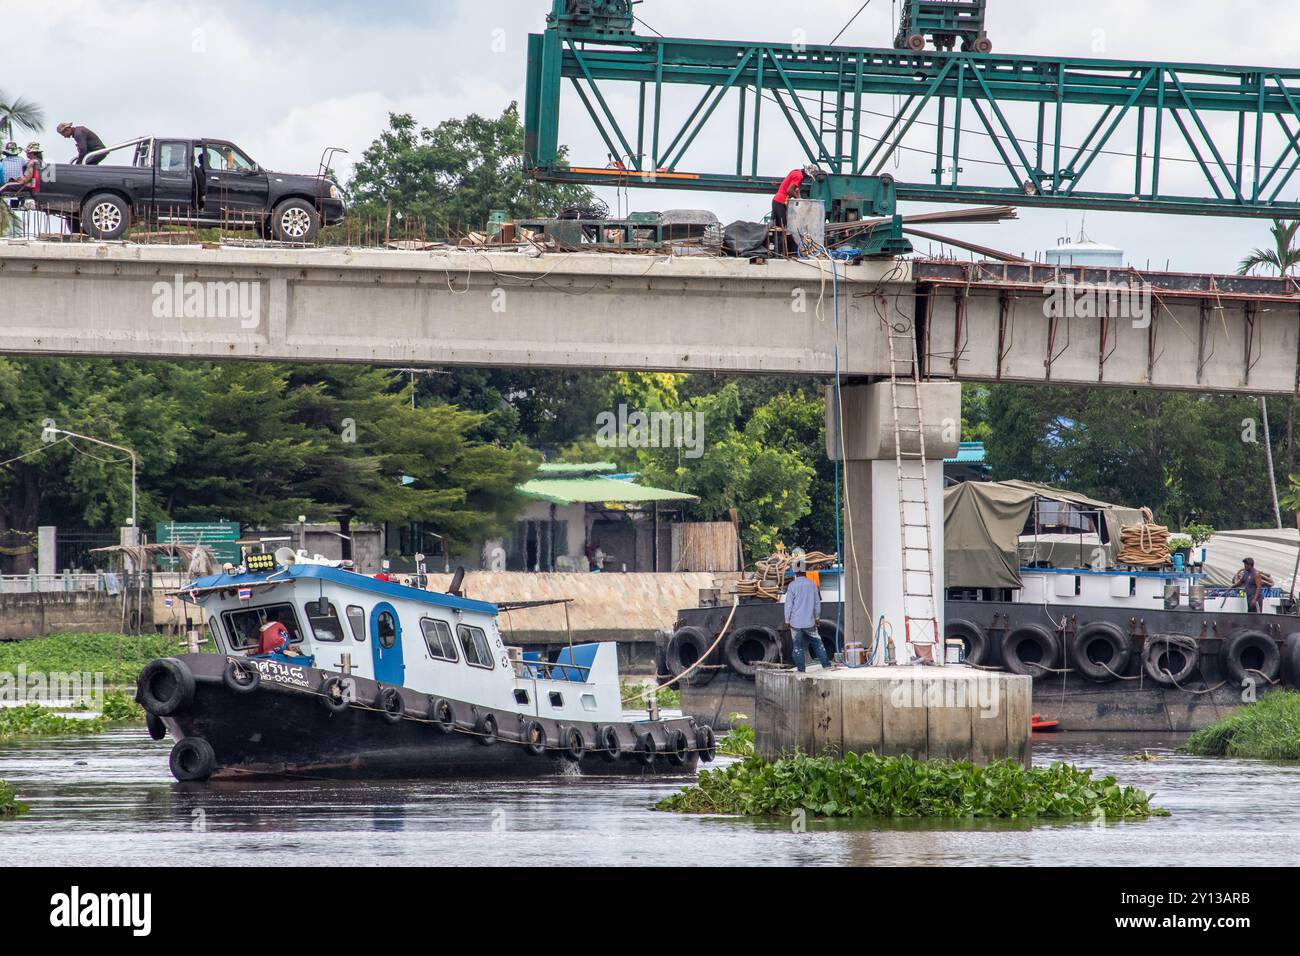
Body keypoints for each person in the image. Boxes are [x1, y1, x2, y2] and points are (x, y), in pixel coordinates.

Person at [784, 566, 833, 672]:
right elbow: (817, 603)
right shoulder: (812, 584)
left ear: (796, 573)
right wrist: (817, 618)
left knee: (797, 646)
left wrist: (787, 621)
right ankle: (826, 665)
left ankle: (801, 669)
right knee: (818, 643)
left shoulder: (792, 586)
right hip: (809, 622)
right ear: (806, 572)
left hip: (795, 622)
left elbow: (788, 605)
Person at [770, 165, 819, 254]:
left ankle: (777, 250)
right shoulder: (799, 176)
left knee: (777, 228)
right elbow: (789, 190)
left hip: (776, 201)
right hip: (780, 202)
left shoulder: (796, 172)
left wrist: (798, 194)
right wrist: (798, 198)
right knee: (784, 228)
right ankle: (786, 251)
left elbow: (794, 188)